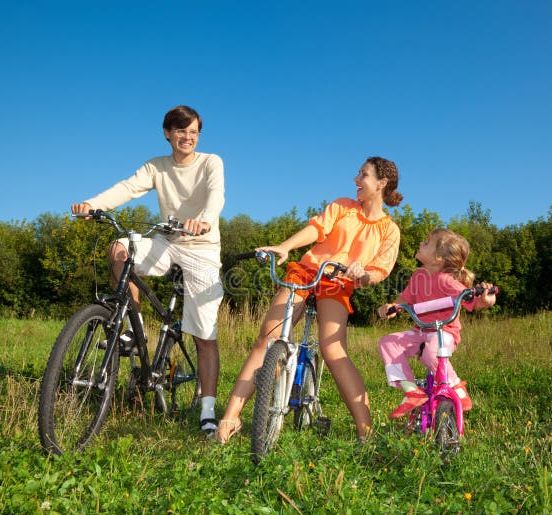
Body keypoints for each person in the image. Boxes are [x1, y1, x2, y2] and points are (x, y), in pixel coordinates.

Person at [214, 157, 403, 443]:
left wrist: (364, 274)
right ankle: (229, 419)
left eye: (363, 175)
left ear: (382, 183)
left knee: (333, 350)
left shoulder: (389, 230)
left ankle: (366, 432)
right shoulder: (342, 206)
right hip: (306, 272)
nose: (355, 179)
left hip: (338, 282)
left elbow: (380, 269)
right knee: (268, 338)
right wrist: (286, 246)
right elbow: (318, 229)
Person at [70, 105, 225, 437]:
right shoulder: (157, 166)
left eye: (194, 132)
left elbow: (216, 195)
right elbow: (127, 188)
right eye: (181, 131)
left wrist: (205, 221)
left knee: (204, 334)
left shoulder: (211, 162)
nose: (188, 137)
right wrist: (92, 204)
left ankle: (209, 411)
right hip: (167, 242)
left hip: (202, 247)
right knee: (119, 249)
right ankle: (129, 327)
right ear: (168, 133)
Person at [377, 228, 496, 419]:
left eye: (426, 243)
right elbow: (404, 299)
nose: (421, 243)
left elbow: (472, 300)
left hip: (444, 332)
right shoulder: (418, 277)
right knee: (387, 343)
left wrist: (486, 298)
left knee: (431, 353)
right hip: (421, 330)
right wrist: (393, 306)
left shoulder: (447, 281)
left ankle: (456, 386)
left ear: (438, 258)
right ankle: (412, 392)